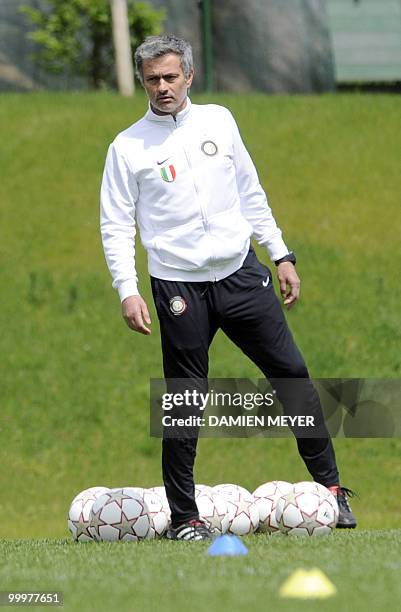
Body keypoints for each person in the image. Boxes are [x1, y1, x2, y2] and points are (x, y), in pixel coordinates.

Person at [100, 35, 356, 541]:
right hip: (179, 285)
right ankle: (184, 518)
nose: (162, 87)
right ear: (144, 83)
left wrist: (280, 252)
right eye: (152, 79)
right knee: (184, 400)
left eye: (171, 76)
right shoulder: (127, 147)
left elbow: (250, 190)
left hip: (242, 274)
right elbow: (115, 223)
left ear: (189, 76)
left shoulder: (219, 120)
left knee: (292, 375)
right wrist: (127, 289)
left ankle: (331, 490)